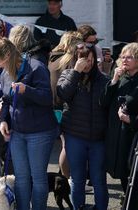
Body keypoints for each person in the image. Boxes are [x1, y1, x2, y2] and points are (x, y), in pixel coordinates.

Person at [0, 38, 58, 210]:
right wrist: (4, 120)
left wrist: (27, 90)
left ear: (7, 56)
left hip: (40, 131)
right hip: (18, 132)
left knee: (38, 178)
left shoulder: (36, 68)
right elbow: (5, 100)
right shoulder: (5, 74)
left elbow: (47, 98)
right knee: (21, 178)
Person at [57, 45, 109, 210]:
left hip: (98, 139)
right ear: (76, 59)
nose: (88, 63)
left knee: (99, 179)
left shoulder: (103, 80)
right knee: (77, 179)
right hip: (75, 136)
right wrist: (76, 72)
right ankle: (78, 207)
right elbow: (62, 95)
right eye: (85, 59)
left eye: (91, 60)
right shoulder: (67, 75)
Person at [101, 42, 138, 193]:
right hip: (118, 137)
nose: (124, 60)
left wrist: (131, 120)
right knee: (124, 177)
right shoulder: (119, 77)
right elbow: (103, 102)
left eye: (129, 57)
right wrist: (114, 79)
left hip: (133, 139)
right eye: (123, 56)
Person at [48, 31, 83, 178]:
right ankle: (68, 180)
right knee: (66, 146)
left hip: (52, 107)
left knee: (63, 143)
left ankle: (63, 178)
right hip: (65, 107)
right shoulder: (69, 60)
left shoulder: (52, 57)